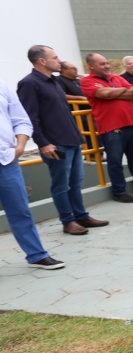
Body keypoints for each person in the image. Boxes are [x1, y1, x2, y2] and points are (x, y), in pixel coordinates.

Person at [17, 45, 109, 236]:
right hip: (55, 143)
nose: (59, 61)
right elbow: (29, 117)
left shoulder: (53, 82)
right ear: (42, 61)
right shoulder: (30, 83)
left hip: (71, 140)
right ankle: (68, 221)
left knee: (76, 182)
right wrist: (43, 142)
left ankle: (81, 215)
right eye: (55, 57)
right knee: (61, 184)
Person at [80, 53, 133, 203]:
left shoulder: (116, 78)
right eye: (102, 64)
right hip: (111, 128)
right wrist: (119, 91)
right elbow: (103, 94)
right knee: (115, 161)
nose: (107, 66)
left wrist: (112, 93)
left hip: (131, 123)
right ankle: (119, 191)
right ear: (91, 66)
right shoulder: (87, 81)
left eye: (106, 63)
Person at [0, 78, 64, 269]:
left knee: (20, 210)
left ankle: (37, 255)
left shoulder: (2, 84)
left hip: (6, 160)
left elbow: (20, 120)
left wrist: (20, 147)